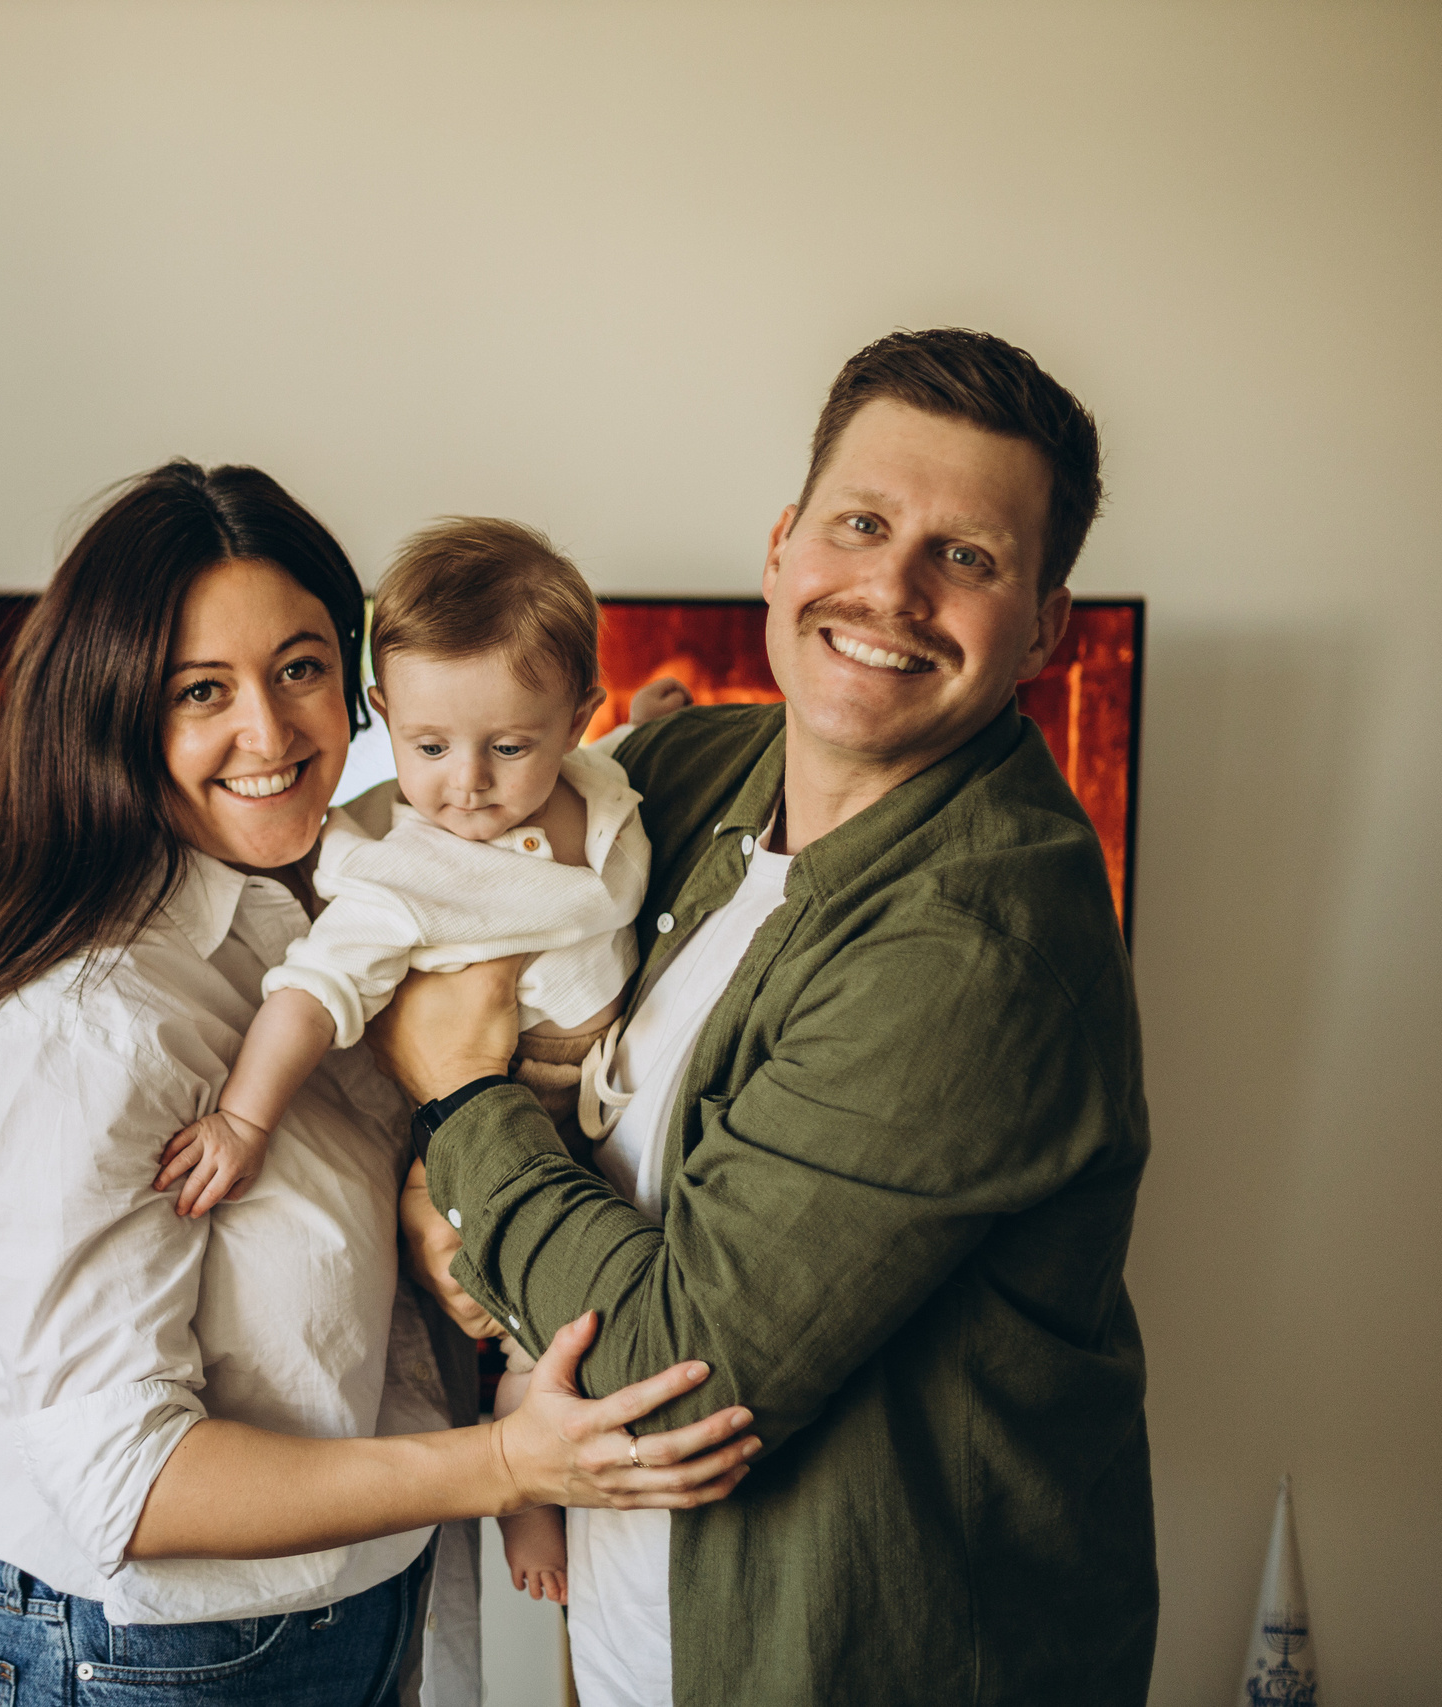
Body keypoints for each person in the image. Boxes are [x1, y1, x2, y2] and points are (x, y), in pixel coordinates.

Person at [0, 461, 761, 1707]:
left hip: (344, 1619)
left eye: (298, 669)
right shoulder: (91, 1027)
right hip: (142, 1662)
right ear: (112, 711)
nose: (273, 734)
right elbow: (128, 1487)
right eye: (201, 690)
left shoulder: (325, 891)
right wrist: (508, 1465)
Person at [380, 329, 1159, 1706]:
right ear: (783, 546)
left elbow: (673, 1382)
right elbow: (422, 829)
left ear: (1045, 626)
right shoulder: (691, 771)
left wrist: (459, 1108)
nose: (892, 589)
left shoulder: (977, 944)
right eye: (861, 524)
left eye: (966, 555)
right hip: (643, 1643)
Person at [147, 517, 681, 1606]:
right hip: (496, 1115)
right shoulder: (397, 875)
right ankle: (521, 1476)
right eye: (429, 748)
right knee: (539, 1316)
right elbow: (309, 994)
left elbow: (612, 767)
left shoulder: (593, 781)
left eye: (509, 747)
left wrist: (654, 724)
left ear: (576, 718)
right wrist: (244, 1118)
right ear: (383, 712)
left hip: (599, 1093)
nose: (467, 784)